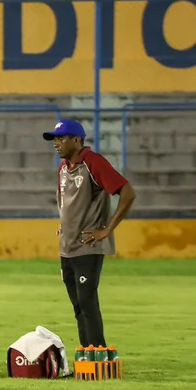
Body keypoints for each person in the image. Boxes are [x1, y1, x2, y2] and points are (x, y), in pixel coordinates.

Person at [45, 119, 137, 350]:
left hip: (88, 245)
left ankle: (98, 353)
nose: (56, 143)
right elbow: (68, 204)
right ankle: (87, 353)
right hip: (67, 247)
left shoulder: (93, 163)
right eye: (54, 139)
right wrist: (65, 224)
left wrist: (107, 229)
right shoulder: (63, 168)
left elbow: (128, 192)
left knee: (87, 300)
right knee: (77, 304)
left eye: (61, 138)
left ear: (77, 140)